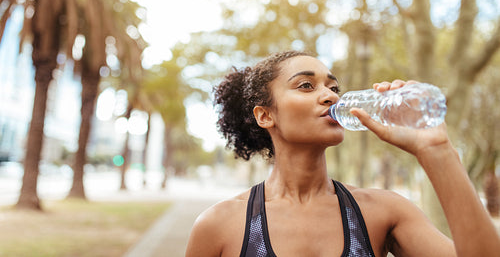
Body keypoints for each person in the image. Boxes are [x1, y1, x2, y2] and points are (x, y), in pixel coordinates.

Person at [185, 50, 500, 257]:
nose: (329, 97)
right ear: (266, 115)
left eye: (333, 88)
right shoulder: (220, 225)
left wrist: (437, 151)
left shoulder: (383, 212)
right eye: (306, 86)